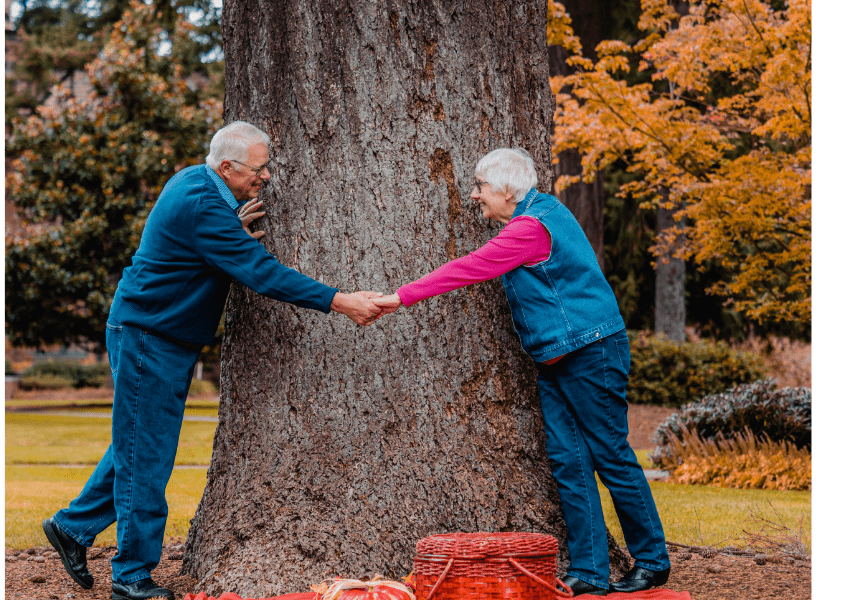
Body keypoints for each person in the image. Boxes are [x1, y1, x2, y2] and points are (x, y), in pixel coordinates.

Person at [42, 121, 383, 600]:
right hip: (149, 339)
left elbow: (201, 241)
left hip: (160, 336)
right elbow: (263, 273)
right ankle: (132, 577)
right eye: (258, 169)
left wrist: (229, 229)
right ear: (226, 166)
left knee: (139, 446)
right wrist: (340, 301)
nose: (266, 177)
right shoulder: (204, 203)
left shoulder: (198, 186)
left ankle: (72, 528)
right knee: (150, 460)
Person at [372, 148, 671, 595]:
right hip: (556, 358)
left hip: (590, 352)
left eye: (480, 187)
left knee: (609, 453)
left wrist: (401, 296)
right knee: (569, 461)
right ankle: (589, 572)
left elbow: (469, 268)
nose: (475, 195)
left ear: (506, 189)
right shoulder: (537, 214)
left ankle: (652, 561)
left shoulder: (530, 227)